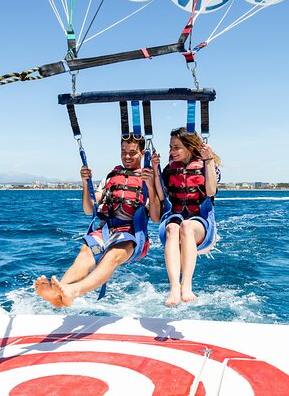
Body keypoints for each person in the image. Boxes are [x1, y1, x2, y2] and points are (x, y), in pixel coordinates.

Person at [35, 134, 161, 307]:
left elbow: (155, 218)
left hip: (132, 235)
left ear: (141, 153)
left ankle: (72, 291)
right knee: (86, 253)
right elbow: (89, 209)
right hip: (106, 231)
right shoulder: (111, 177)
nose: (127, 156)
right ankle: (59, 294)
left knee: (111, 256)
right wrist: (86, 183)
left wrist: (152, 186)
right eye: (123, 151)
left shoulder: (149, 179)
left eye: (132, 153)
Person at [152, 127, 221, 306]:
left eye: (176, 147)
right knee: (173, 227)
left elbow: (211, 191)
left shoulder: (207, 164)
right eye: (170, 147)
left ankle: (187, 284)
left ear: (190, 147)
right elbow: (161, 197)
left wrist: (208, 160)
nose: (171, 152)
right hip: (176, 215)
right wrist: (155, 169)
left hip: (200, 221)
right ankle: (174, 287)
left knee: (186, 226)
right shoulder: (169, 170)